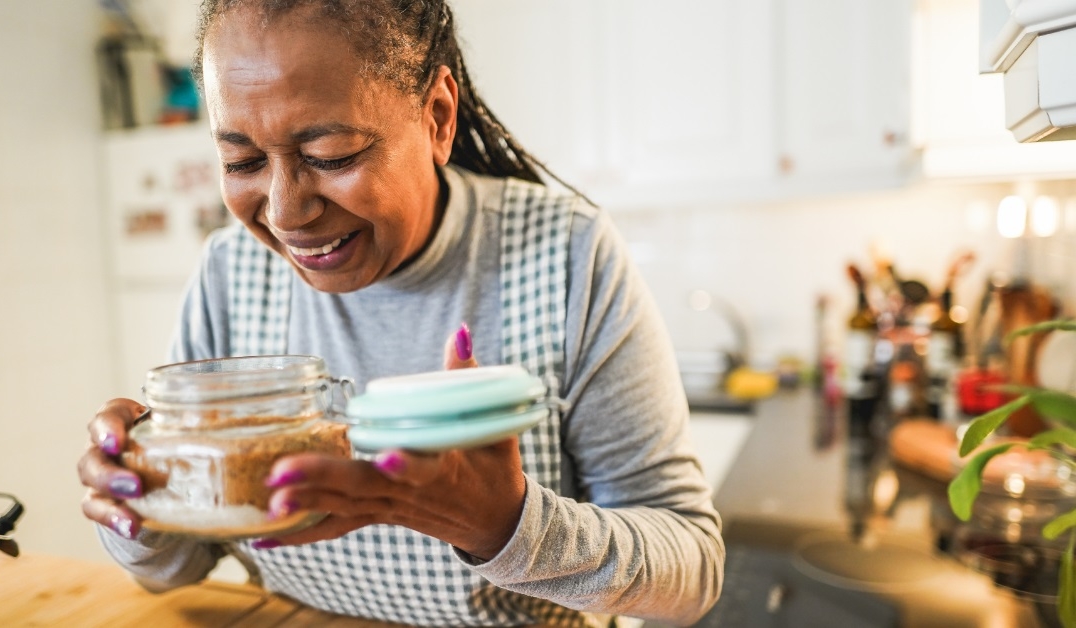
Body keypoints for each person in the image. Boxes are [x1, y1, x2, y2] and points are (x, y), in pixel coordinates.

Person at [77, 0, 724, 625]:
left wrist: (505, 525)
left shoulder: (566, 256)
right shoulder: (229, 274)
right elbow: (173, 569)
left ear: (438, 116)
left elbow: (691, 574)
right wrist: (137, 500)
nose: (283, 212)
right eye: (241, 161)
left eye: (330, 155)